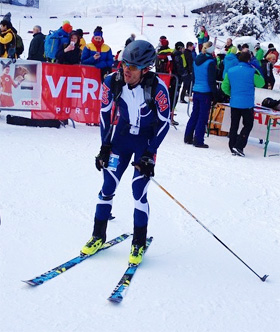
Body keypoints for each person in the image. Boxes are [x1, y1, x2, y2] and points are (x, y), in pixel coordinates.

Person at [80, 40, 170, 265]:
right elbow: (104, 113)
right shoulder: (112, 81)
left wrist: (150, 153)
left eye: (133, 66)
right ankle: (97, 236)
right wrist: (104, 145)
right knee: (107, 186)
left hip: (144, 141)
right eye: (124, 64)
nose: (126, 70)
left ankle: (138, 242)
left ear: (146, 68)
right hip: (121, 138)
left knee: (138, 190)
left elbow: (164, 123)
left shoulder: (157, 88)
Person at [221, 52, 265, 157]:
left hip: (235, 102)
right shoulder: (252, 71)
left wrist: (231, 94)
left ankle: (232, 145)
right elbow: (261, 83)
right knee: (248, 124)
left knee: (234, 124)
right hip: (247, 104)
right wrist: (256, 69)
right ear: (249, 60)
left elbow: (224, 86)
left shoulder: (230, 71)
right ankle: (239, 145)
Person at [184, 41, 217, 148]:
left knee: (195, 114)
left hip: (197, 90)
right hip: (205, 92)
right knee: (202, 117)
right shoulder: (210, 62)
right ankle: (198, 140)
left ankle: (188, 137)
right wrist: (215, 94)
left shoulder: (196, 60)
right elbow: (211, 80)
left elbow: (194, 77)